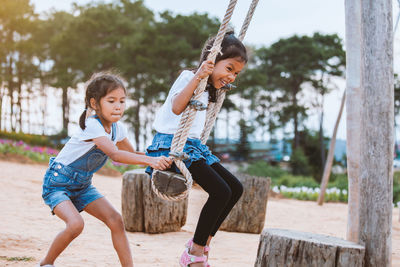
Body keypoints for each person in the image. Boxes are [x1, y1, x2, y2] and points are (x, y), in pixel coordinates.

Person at [38, 72, 172, 267]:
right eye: (111, 101)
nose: (118, 106)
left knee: (116, 220)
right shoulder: (92, 126)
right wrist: (152, 161)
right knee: (76, 225)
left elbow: (133, 153)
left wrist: (163, 158)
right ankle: (45, 263)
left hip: (83, 186)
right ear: (94, 104)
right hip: (58, 184)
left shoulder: (118, 129)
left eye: (122, 101)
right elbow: (116, 155)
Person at [145, 31, 247, 267]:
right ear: (212, 60)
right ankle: (195, 253)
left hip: (193, 147)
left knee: (235, 188)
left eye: (236, 73)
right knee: (220, 191)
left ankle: (202, 243)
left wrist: (215, 82)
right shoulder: (189, 77)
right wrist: (199, 75)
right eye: (229, 68)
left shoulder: (211, 91)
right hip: (172, 144)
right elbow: (177, 107)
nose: (231, 76)